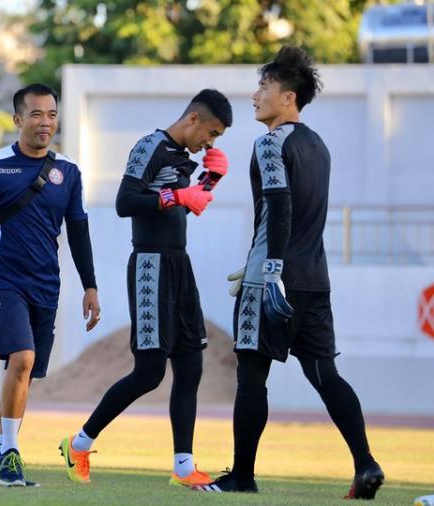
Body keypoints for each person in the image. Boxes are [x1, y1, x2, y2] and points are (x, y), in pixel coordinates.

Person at [195, 47, 384, 500]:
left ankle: (242, 477)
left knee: (251, 378)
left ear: (288, 97)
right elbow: (300, 217)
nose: (255, 95)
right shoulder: (318, 146)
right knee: (325, 374)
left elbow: (279, 209)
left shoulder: (270, 143)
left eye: (264, 86)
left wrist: (270, 270)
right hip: (314, 280)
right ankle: (366, 464)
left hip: (271, 282)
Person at [59, 89, 232, 488]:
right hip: (150, 265)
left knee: (191, 365)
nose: (210, 142)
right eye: (211, 133)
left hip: (179, 264)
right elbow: (126, 202)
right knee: (150, 372)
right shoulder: (149, 146)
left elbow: (186, 205)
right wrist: (179, 194)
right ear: (193, 118)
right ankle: (79, 444)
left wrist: (210, 180)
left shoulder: (181, 157)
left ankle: (184, 468)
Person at [0, 83, 101, 487]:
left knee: (23, 372)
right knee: (22, 359)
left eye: (52, 114)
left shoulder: (68, 171)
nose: (45, 122)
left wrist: (90, 286)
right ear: (18, 119)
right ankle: (12, 456)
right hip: (3, 280)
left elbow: (78, 232)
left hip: (46, 285)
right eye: (36, 114)